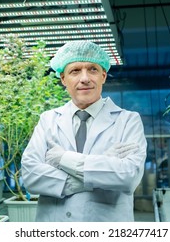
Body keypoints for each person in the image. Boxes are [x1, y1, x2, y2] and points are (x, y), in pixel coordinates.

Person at [21, 40, 147, 222]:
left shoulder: (128, 120)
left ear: (103, 76)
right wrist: (104, 166)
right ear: (63, 79)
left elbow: (128, 176)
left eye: (93, 69)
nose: (85, 78)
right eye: (75, 71)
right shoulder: (48, 120)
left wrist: (64, 159)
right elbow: (31, 176)